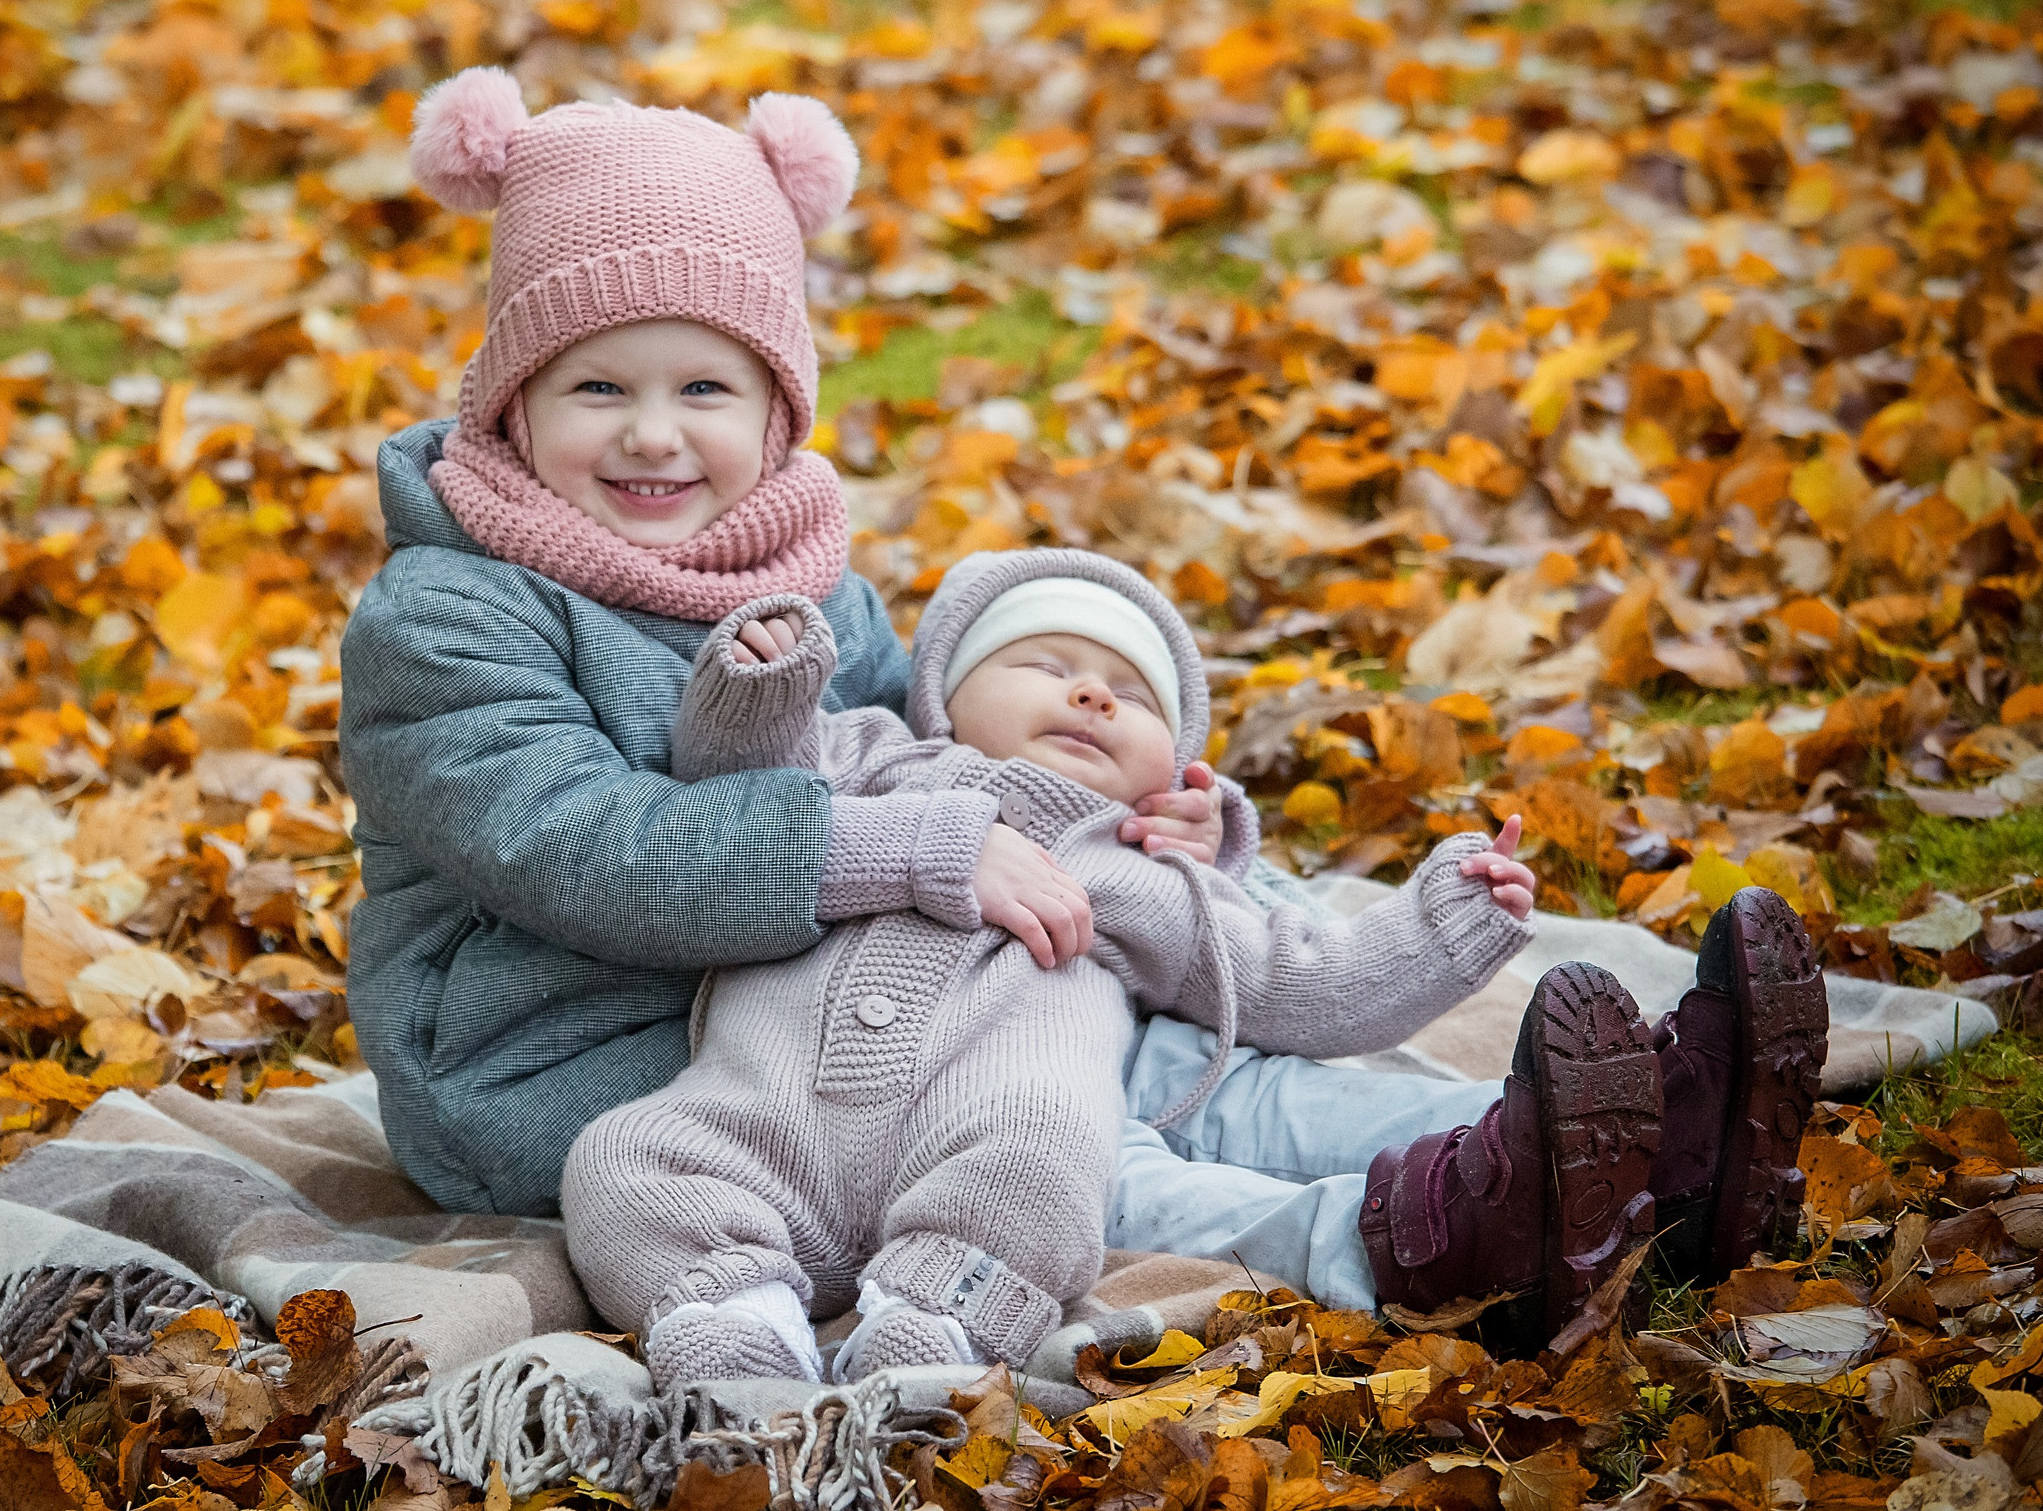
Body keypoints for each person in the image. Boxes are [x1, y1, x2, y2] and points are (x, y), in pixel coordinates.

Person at [337, 71, 1221, 1219]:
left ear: (775, 409)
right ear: (512, 403)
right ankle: (1354, 1226)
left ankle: (1427, 1156)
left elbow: (924, 752)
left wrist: (1124, 803)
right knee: (1022, 1088)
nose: (653, 435)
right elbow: (582, 847)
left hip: (797, 1001)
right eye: (597, 387)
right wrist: (910, 854)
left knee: (1107, 1008)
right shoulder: (445, 617)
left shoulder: (800, 575)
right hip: (558, 1065)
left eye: (704, 386)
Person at [563, 551, 1545, 1386]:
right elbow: (743, 793)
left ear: (1174, 766)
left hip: (983, 1147)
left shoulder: (1140, 875)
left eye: (1133, 693)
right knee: (621, 1159)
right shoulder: (866, 760)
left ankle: (934, 1325)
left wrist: (1447, 918)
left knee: (1046, 1171)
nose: (1091, 693)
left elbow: (1304, 983)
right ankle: (736, 1321)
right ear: (943, 689)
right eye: (1046, 662)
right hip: (760, 1122)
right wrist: (761, 687)